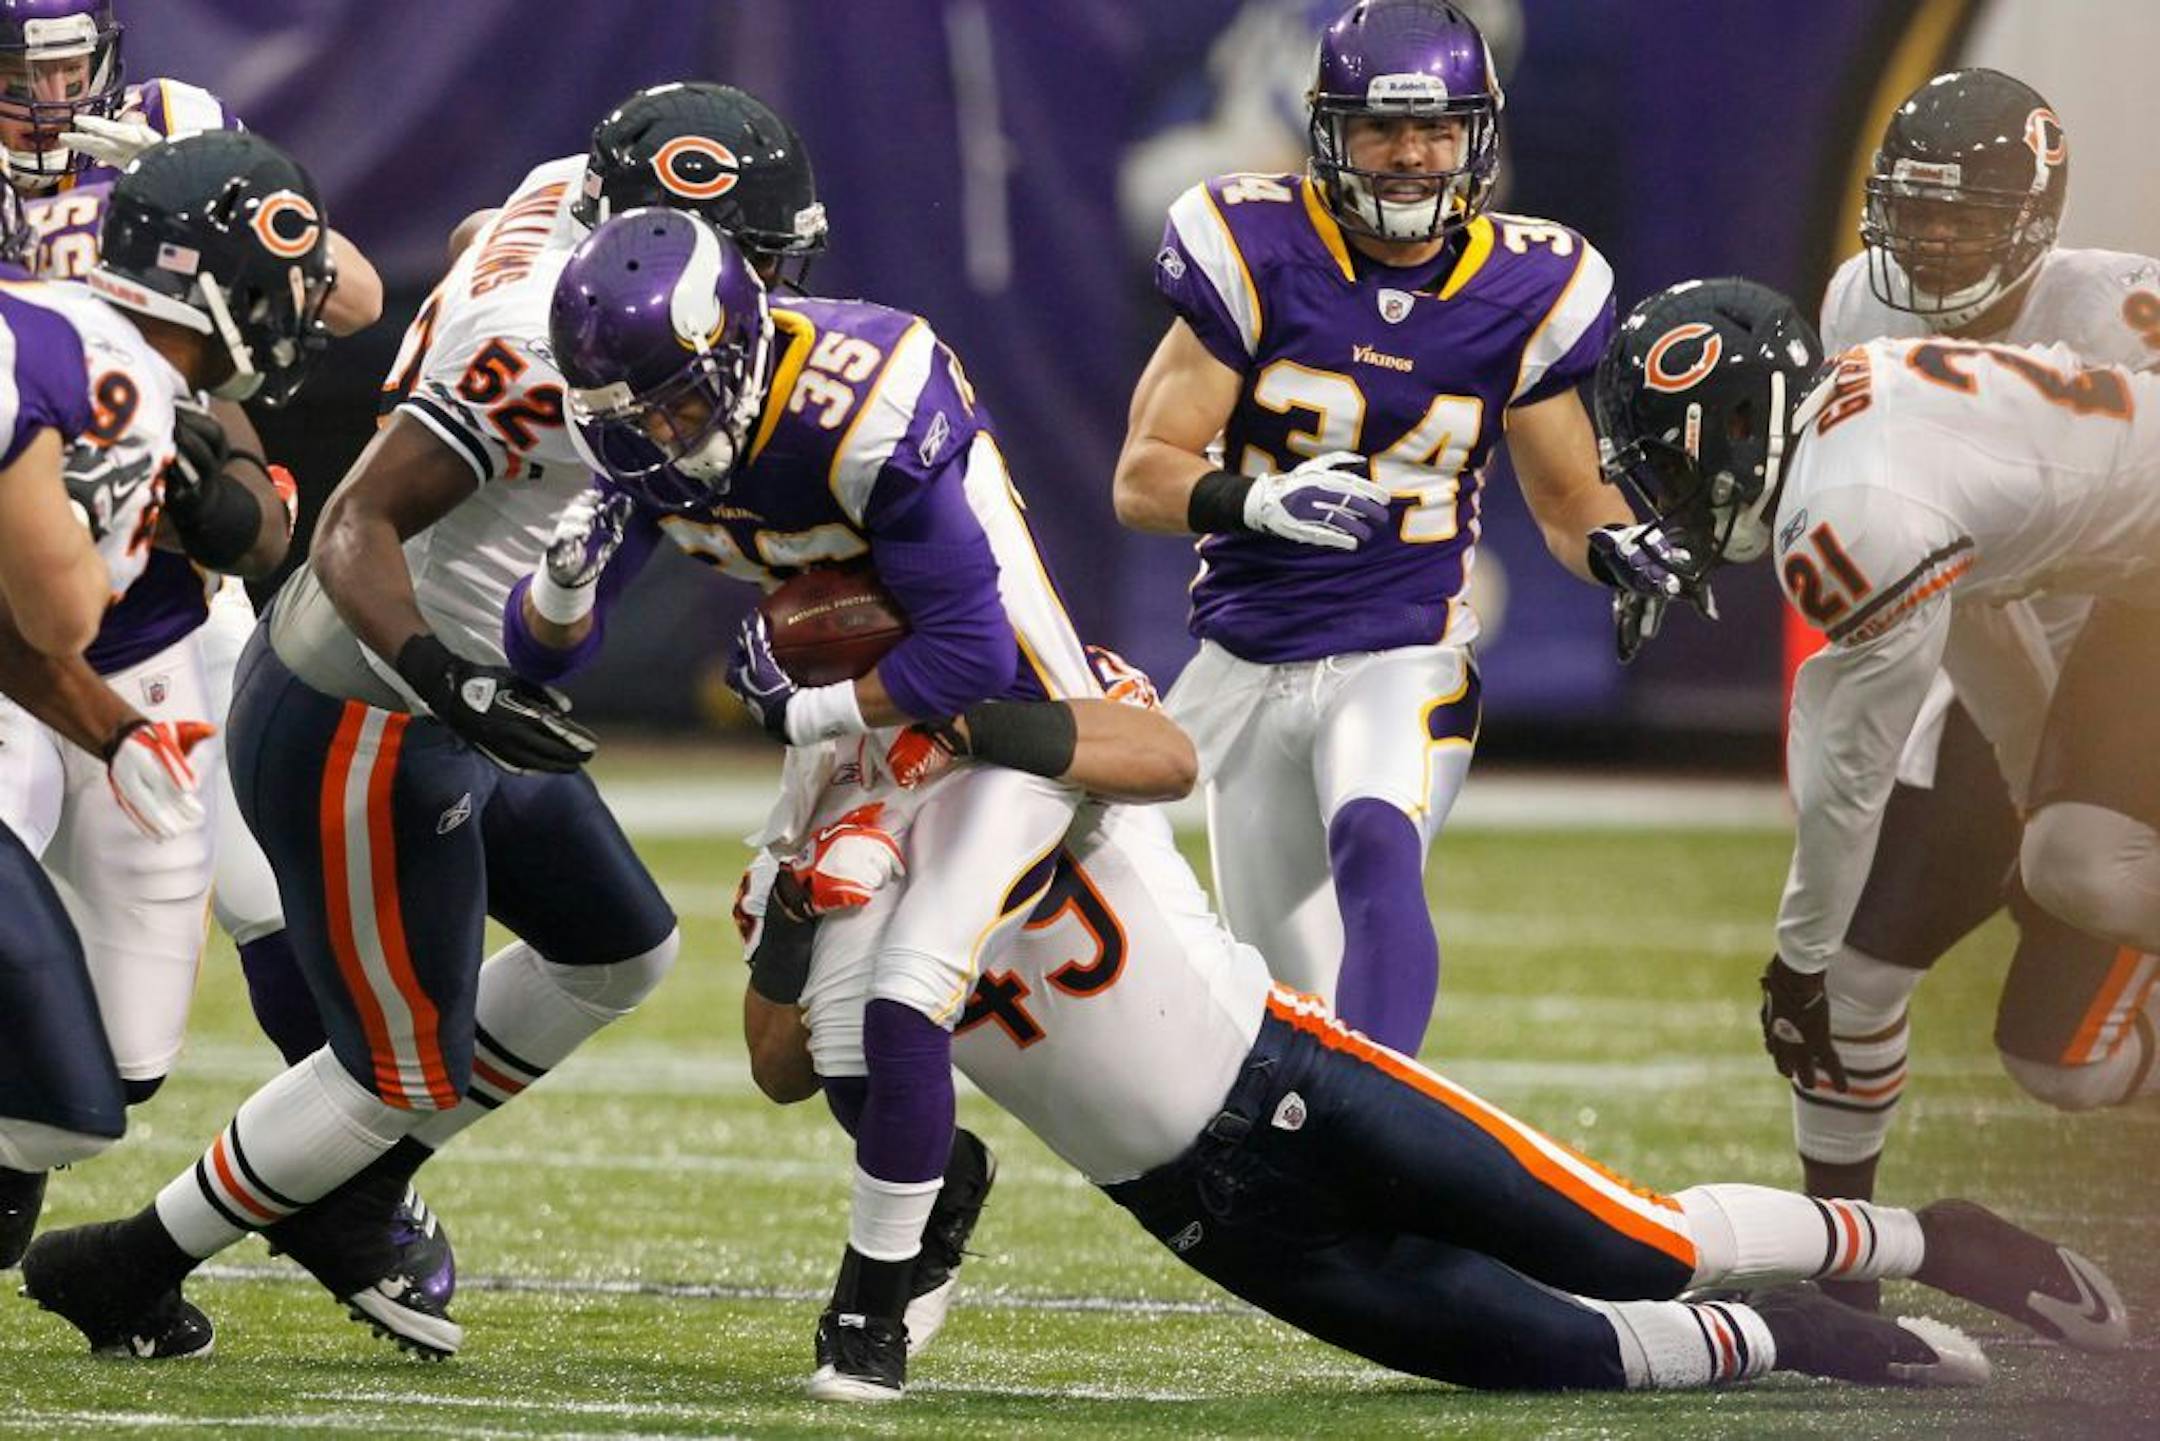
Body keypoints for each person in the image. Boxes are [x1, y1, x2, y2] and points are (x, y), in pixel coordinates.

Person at [734, 687, 2127, 1397]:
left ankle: (1937, 1240)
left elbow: (1161, 754)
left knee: (1633, 1242)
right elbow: (783, 1062)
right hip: (1195, 1214)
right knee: (1569, 1355)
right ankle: (1794, 1339)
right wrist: (806, 912)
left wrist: (971, 736)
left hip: (1295, 1082)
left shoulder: (1031, 730)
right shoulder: (804, 843)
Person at [519, 203, 1101, 1398]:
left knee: (905, 996)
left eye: (677, 403)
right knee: (831, 1065)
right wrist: (563, 582)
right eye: (631, 414)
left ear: (733, 352)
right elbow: (542, 658)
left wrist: (799, 711)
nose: (659, 437)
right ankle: (946, 1183)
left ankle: (869, 1320)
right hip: (869, 730)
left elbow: (976, 654)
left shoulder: (863, 398)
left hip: (1007, 728)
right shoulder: (643, 427)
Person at [1110, 0, 1682, 1056]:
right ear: (1329, 129)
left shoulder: (1528, 281)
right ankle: (1341, 1163)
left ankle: (1391, 1129)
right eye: (1383, 128)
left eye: (1437, 129)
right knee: (1290, 1002)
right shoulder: (1255, 243)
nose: (1413, 156)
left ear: (1480, 132)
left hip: (1403, 647)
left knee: (1378, 838)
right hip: (1246, 660)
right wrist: (1258, 500)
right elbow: (1143, 478)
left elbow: (1565, 496)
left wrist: (1616, 541)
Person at [1592, 277, 2160, 1283]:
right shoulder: (1859, 417)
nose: (1674, 497)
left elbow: (1849, 773)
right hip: (2134, 597)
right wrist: (2031, 790)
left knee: (2082, 868)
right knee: (2060, 878)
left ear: (1741, 419)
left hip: (2135, 595)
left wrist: (1796, 963)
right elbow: (1980, 608)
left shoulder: (1849, 508)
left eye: (1676, 461)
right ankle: (1846, 1268)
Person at [0, 0, 393, 1258]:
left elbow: (353, 299)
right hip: (24, 573)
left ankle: (343, 1201)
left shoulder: (164, 130)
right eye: (20, 77)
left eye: (66, 68)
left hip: (161, 589)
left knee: (256, 904)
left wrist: (183, 203)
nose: (49, 101)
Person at [1795, 67, 2160, 1298]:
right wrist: (2025, 757)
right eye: (1918, 207)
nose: (1938, 236)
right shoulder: (1860, 307)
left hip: (2133, 618)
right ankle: (1840, 1260)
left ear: (2037, 215)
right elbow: (1955, 608)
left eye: (1971, 209)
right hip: (2004, 633)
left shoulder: (2121, 308)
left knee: (2071, 861)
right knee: (2061, 1062)